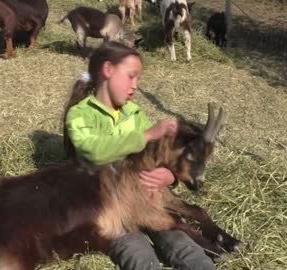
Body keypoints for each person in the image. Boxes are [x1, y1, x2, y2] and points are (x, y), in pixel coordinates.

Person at [62, 41, 216, 270]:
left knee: (182, 245)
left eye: (138, 79)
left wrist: (169, 176)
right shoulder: (81, 114)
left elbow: (157, 157)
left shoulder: (135, 113)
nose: (135, 85)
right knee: (139, 256)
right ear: (108, 70)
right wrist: (145, 135)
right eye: (131, 76)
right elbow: (93, 151)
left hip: (144, 199)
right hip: (109, 207)